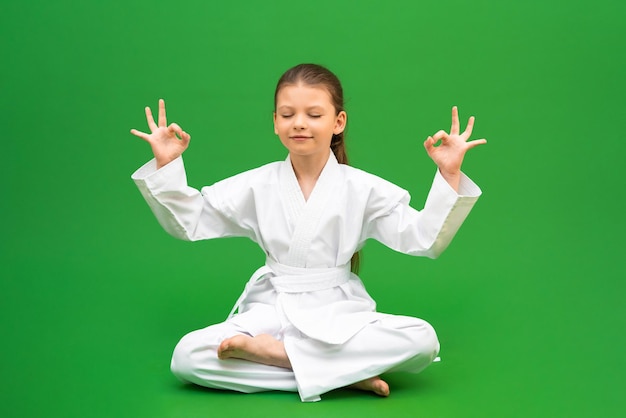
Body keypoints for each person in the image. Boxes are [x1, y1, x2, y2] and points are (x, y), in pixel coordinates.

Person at [130, 63, 486, 402]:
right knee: (187, 357)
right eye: (287, 115)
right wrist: (167, 164)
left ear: (338, 122)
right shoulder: (258, 184)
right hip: (274, 306)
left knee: (422, 339)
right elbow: (191, 220)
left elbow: (424, 238)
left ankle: (285, 358)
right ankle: (342, 372)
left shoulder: (363, 189)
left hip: (336, 308)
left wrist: (449, 174)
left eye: (314, 115)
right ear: (274, 122)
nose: (299, 124)